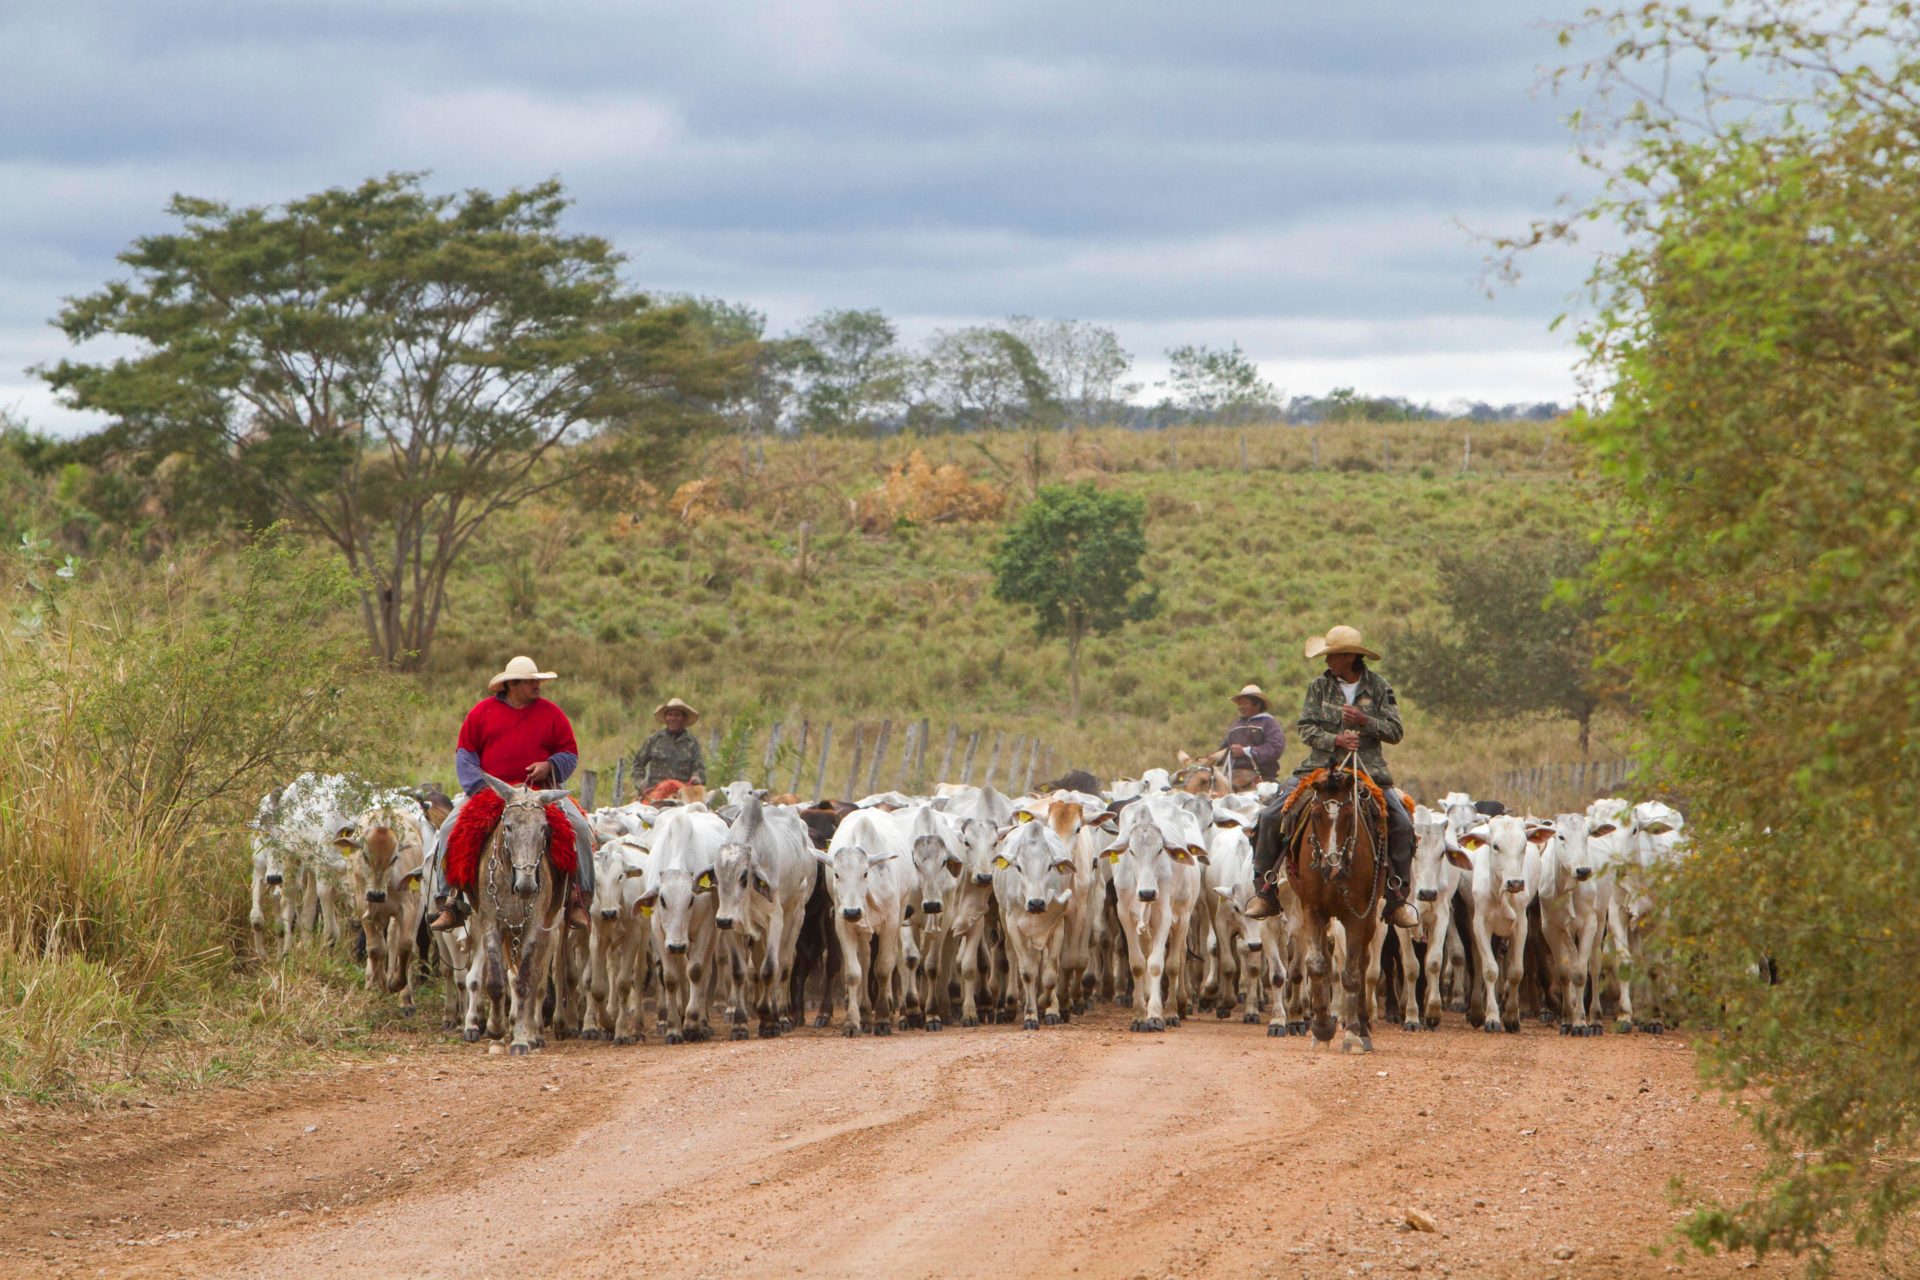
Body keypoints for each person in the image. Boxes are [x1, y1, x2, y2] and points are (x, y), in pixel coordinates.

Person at [1245, 626, 1419, 929]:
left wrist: (1365, 721)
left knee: (1402, 822)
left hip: (1368, 771)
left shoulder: (1379, 687)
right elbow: (1306, 729)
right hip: (1318, 768)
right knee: (1271, 815)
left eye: (1332, 656)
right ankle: (1266, 888)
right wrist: (1335, 741)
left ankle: (1396, 895)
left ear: (1350, 657)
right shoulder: (1318, 687)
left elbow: (1395, 732)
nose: (1327, 662)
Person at [428, 655, 594, 931]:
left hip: (538, 794)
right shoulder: (481, 713)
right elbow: (465, 756)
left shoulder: (552, 713)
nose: (537, 686)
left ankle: (580, 899)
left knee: (580, 829)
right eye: (531, 682)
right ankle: (449, 901)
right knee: (448, 830)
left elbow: (569, 753)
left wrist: (549, 765)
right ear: (512, 684)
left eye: (537, 681)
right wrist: (480, 789)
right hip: (491, 792)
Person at [1210, 684, 1285, 790]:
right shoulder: (1235, 726)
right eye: (1240, 703)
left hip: (1261, 777)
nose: (1241, 706)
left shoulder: (1269, 723)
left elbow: (1275, 748)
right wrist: (1210, 758)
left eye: (1245, 703)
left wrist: (1246, 751)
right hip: (1232, 776)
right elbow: (1225, 749)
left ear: (1257, 705)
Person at [632, 697, 706, 800]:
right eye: (669, 715)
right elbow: (637, 764)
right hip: (654, 793)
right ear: (665, 718)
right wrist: (640, 783)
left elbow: (699, 769)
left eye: (677, 715)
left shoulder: (692, 743)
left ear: (684, 719)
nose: (672, 718)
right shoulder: (654, 740)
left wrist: (696, 778)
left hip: (682, 795)